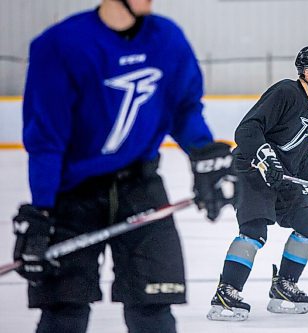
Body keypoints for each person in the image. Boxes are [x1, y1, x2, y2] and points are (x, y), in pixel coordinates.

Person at [12, 0, 237, 332]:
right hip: (72, 195)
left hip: (140, 185)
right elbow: (46, 137)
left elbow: (184, 109)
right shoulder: (60, 44)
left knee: (153, 309)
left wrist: (204, 154)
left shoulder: (167, 38)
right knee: (64, 310)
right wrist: (42, 210)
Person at [206, 45, 308, 322]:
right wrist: (267, 157)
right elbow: (247, 130)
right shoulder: (285, 91)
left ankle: (283, 286)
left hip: (280, 176)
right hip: (251, 169)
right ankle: (227, 291)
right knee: (254, 231)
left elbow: (298, 156)